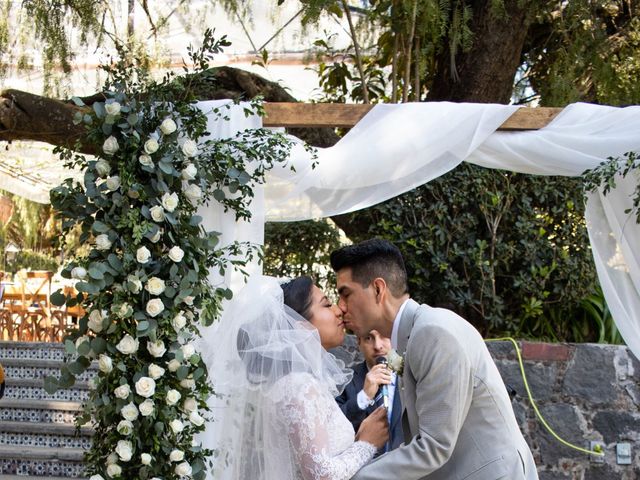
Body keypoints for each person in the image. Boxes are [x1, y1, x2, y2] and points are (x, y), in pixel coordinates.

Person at [330, 239, 538, 480]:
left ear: (378, 289)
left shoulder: (432, 332)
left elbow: (434, 446)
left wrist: (350, 475)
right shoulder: (410, 336)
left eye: (346, 294)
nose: (341, 307)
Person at [199, 275, 388, 480]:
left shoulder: (296, 381)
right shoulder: (297, 385)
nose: (338, 310)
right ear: (300, 326)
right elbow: (321, 475)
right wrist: (366, 445)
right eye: (327, 305)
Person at [335, 330, 403, 453]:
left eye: (384, 336)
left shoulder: (413, 375)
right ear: (359, 343)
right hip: (363, 468)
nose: (377, 346)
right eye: (368, 338)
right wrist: (364, 396)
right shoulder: (345, 379)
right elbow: (333, 429)